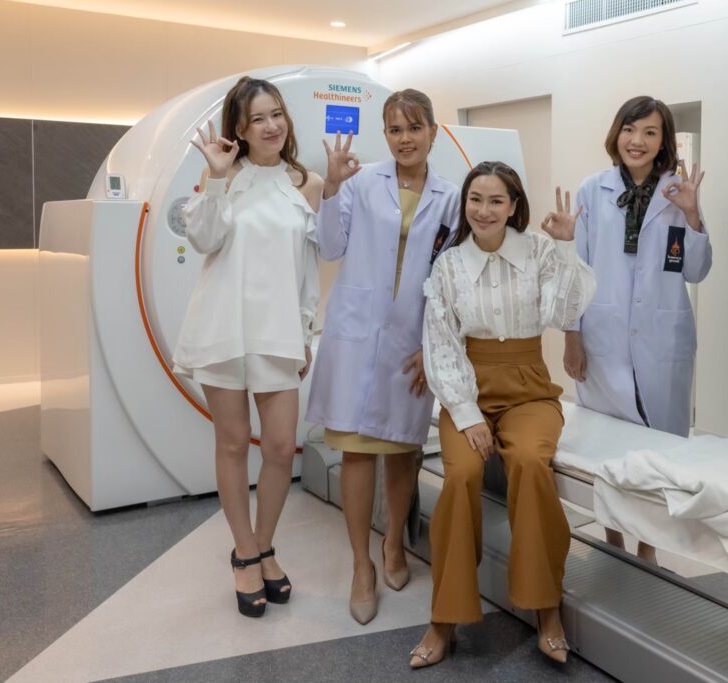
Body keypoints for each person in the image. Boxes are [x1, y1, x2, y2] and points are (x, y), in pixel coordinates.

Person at [409, 162, 595, 668]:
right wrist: (466, 413)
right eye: (476, 199)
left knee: (531, 464)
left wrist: (566, 246)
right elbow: (441, 343)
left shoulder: (539, 251)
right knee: (460, 476)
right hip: (466, 388)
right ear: (464, 204)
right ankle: (444, 618)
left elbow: (563, 313)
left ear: (514, 206)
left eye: (496, 200)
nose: (484, 210)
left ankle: (546, 608)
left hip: (529, 390)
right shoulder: (449, 266)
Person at [305, 89, 460, 625]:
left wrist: (433, 345)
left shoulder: (451, 197)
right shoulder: (360, 182)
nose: (405, 139)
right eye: (394, 129)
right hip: (356, 334)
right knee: (355, 452)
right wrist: (330, 188)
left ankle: (394, 542)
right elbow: (330, 246)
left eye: (414, 127)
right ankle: (361, 565)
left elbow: (451, 280)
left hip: (411, 341)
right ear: (385, 135)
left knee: (401, 451)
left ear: (433, 131)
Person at [173, 76, 321, 618]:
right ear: (240, 126)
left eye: (276, 114)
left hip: (277, 331)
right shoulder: (222, 176)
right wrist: (216, 178)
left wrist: (306, 331)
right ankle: (245, 553)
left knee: (280, 447)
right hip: (223, 329)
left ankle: (263, 543)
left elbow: (306, 267)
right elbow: (204, 240)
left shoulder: (306, 182)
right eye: (258, 118)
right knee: (233, 444)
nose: (271, 126)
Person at [564, 95, 711, 563]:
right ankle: (612, 539)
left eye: (650, 132)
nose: (638, 141)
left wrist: (692, 215)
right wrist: (572, 336)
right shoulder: (593, 190)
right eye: (630, 129)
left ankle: (649, 545)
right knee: (607, 448)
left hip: (662, 339)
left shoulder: (678, 192)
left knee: (658, 450)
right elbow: (576, 271)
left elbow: (696, 270)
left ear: (664, 141)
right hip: (602, 338)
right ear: (617, 134)